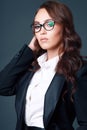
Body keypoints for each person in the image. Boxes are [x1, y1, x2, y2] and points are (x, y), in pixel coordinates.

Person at [0, 0, 87, 130]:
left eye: (49, 24)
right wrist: (29, 50)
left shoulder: (78, 69)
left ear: (65, 27)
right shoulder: (31, 67)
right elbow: (2, 86)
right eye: (37, 26)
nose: (42, 31)